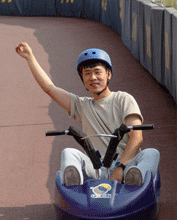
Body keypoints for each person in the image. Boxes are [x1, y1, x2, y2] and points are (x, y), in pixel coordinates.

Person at [15, 43, 160, 186]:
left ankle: (134, 181)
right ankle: (74, 188)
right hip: (96, 167)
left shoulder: (124, 99)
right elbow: (49, 88)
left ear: (108, 74)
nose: (93, 77)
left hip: (125, 165)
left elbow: (137, 138)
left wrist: (120, 168)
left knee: (152, 153)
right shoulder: (82, 105)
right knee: (68, 152)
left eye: (97, 72)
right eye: (87, 73)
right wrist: (30, 57)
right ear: (83, 79)